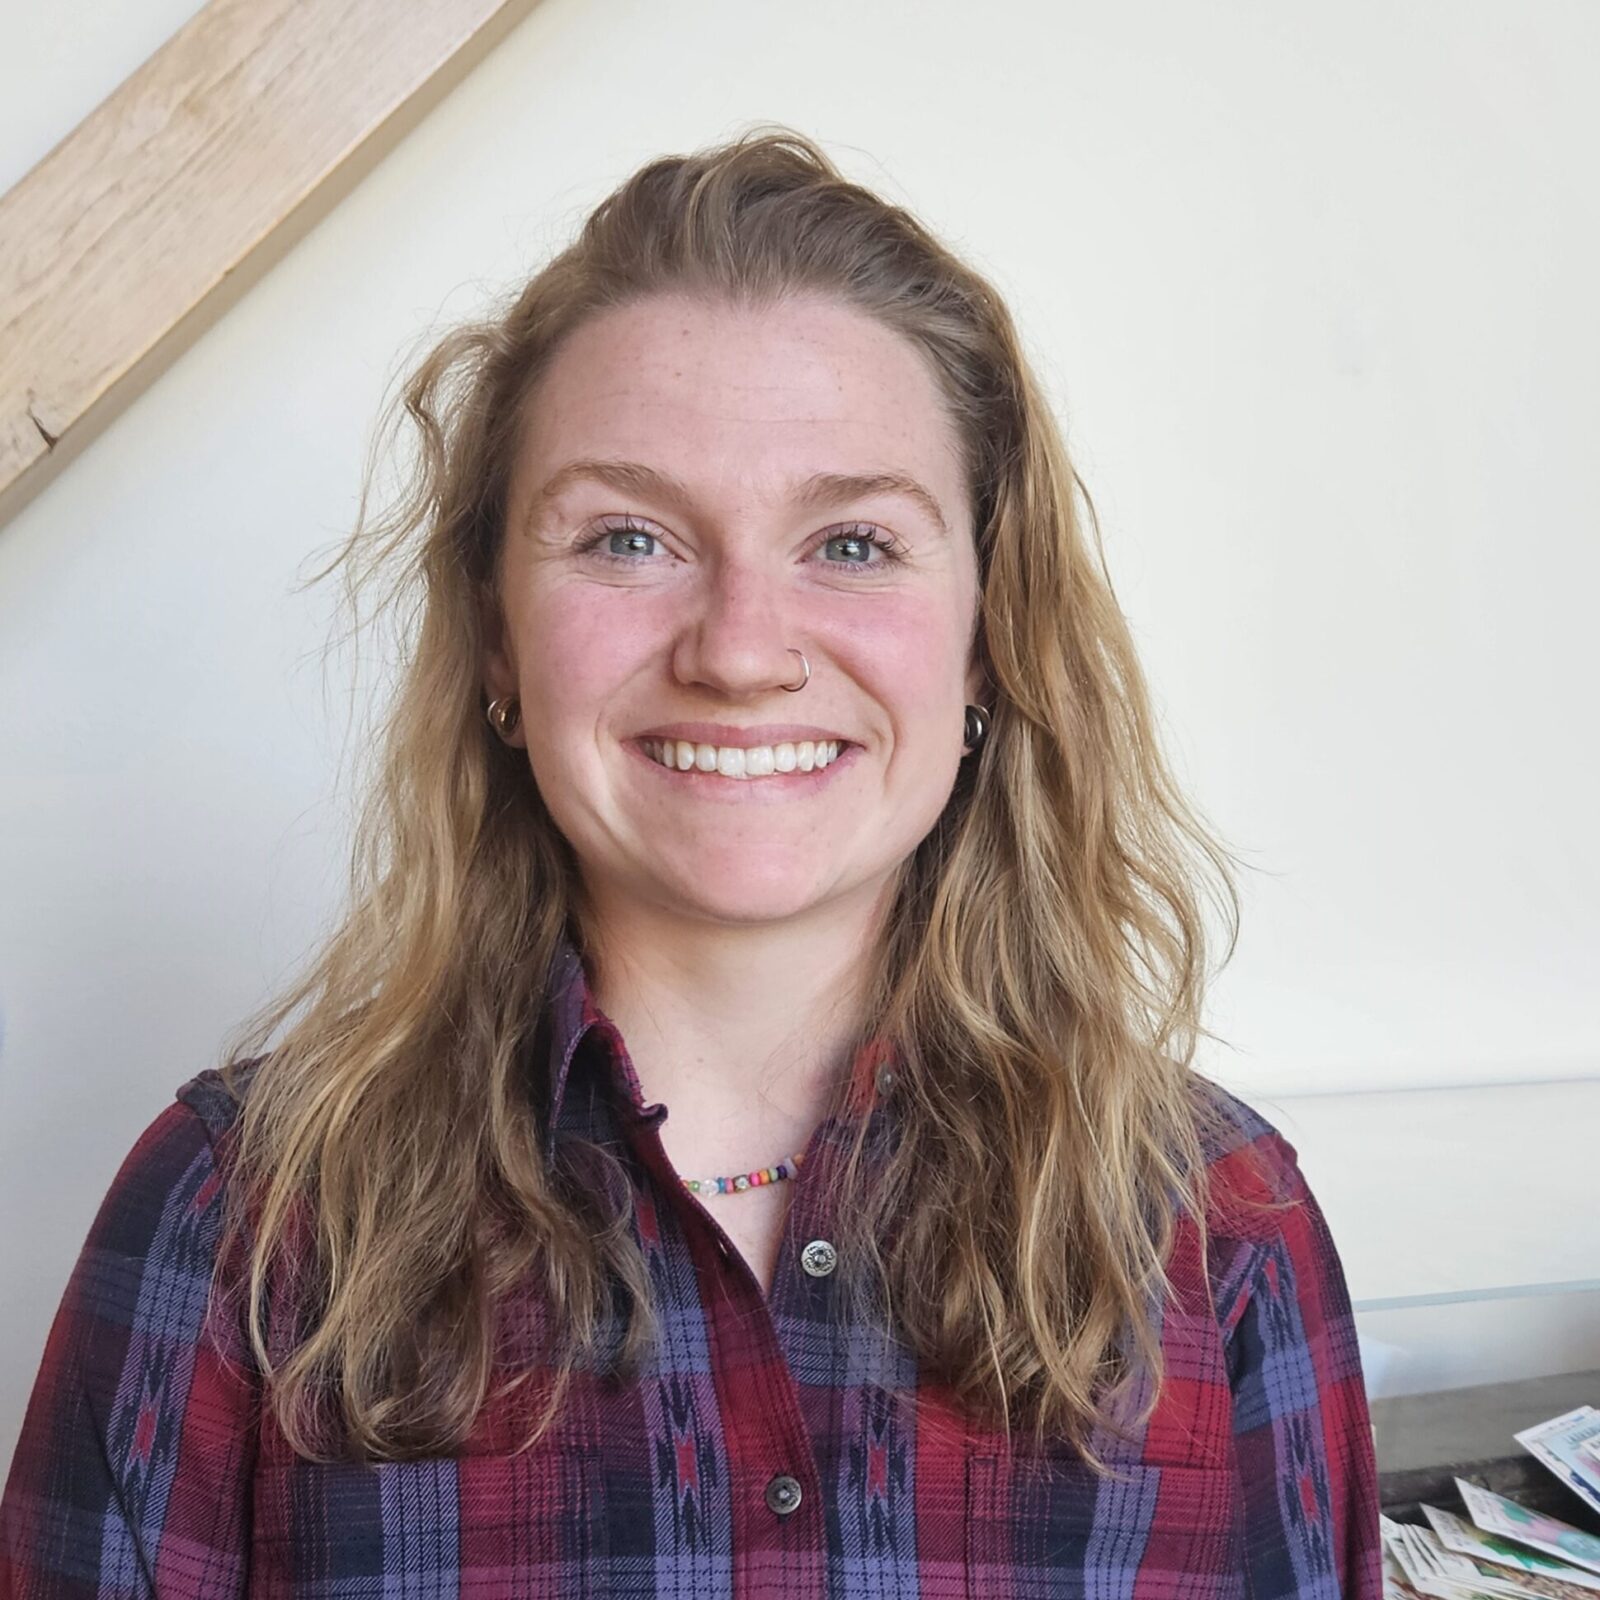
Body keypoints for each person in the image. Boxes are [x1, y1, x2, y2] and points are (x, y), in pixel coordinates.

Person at [0, 127, 1382, 1597]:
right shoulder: (230, 1232)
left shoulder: (1224, 1234)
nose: (738, 651)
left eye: (852, 544)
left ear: (988, 640)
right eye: (629, 538)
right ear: (495, 641)